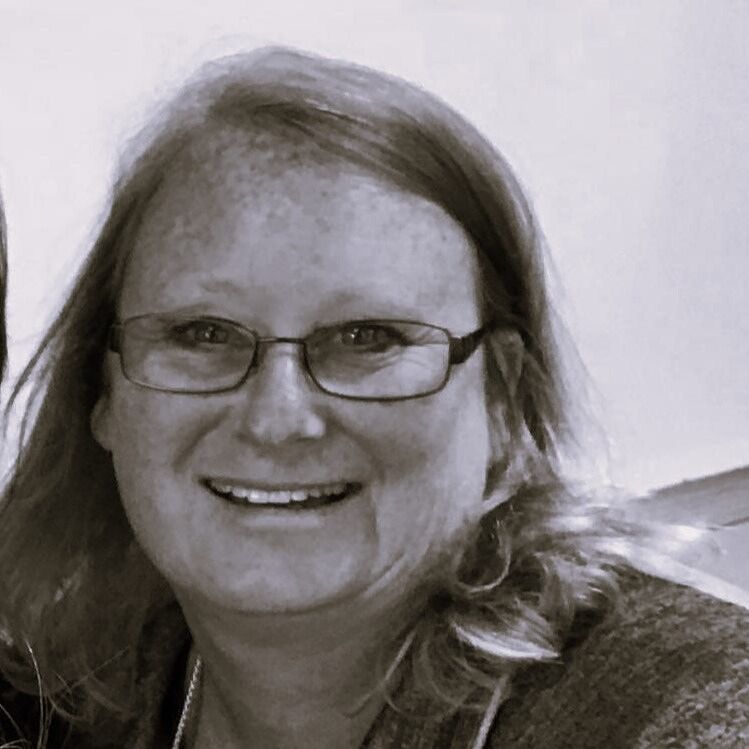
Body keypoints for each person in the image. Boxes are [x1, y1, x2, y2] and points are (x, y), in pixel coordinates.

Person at [0, 47, 747, 749]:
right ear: (103, 391)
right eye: (202, 333)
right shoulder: (65, 692)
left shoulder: (677, 708)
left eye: (366, 338)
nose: (278, 418)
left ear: (501, 397)